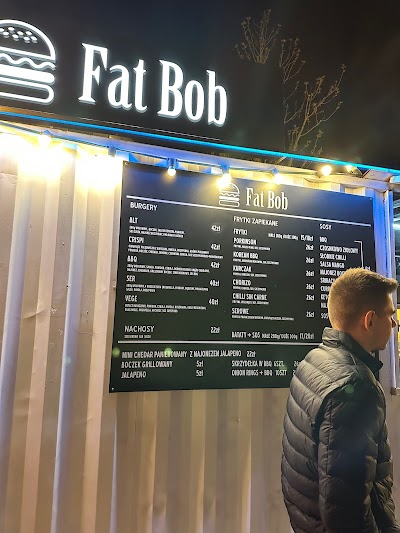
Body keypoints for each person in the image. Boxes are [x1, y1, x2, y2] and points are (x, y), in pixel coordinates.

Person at [281, 268, 400, 532]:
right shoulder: (357, 387)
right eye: (390, 315)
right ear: (370, 320)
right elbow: (345, 511)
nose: (394, 324)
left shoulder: (314, 361)